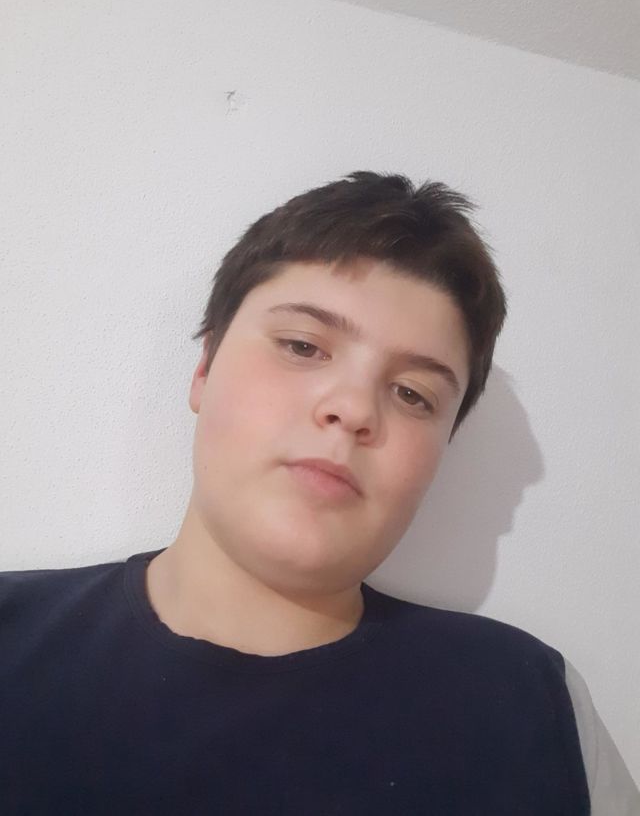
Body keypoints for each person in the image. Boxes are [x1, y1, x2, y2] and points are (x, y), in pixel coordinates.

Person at [1, 172, 637, 815]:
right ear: (204, 368)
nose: (354, 409)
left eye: (412, 394)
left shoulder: (533, 707)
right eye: (303, 346)